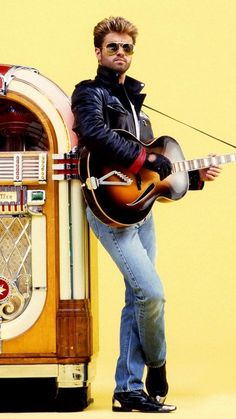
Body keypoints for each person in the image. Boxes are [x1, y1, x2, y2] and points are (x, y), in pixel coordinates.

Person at [71, 16, 221, 413]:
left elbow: (151, 173)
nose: (120, 53)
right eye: (113, 46)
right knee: (151, 293)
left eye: (127, 48)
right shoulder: (89, 93)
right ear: (98, 51)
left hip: (141, 211)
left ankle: (128, 390)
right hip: (107, 210)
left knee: (136, 298)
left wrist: (194, 175)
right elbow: (94, 135)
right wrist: (145, 157)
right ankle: (156, 364)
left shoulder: (139, 108)